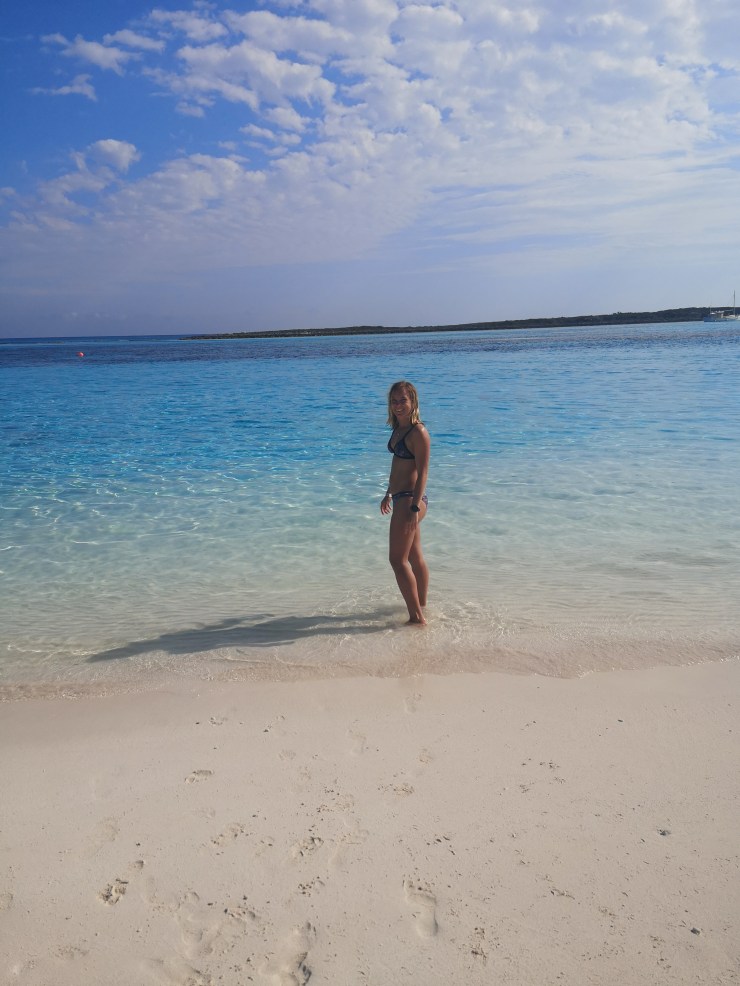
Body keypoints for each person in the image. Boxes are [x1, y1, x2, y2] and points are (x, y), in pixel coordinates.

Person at [380, 381, 430, 625]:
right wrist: (388, 493)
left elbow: (423, 473)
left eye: (403, 400)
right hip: (400, 497)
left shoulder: (418, 432)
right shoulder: (398, 428)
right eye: (394, 401)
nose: (398, 405)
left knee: (397, 560)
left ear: (413, 402)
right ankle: (422, 607)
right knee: (414, 556)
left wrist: (413, 508)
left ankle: (416, 618)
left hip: (411, 499)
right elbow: (398, 467)